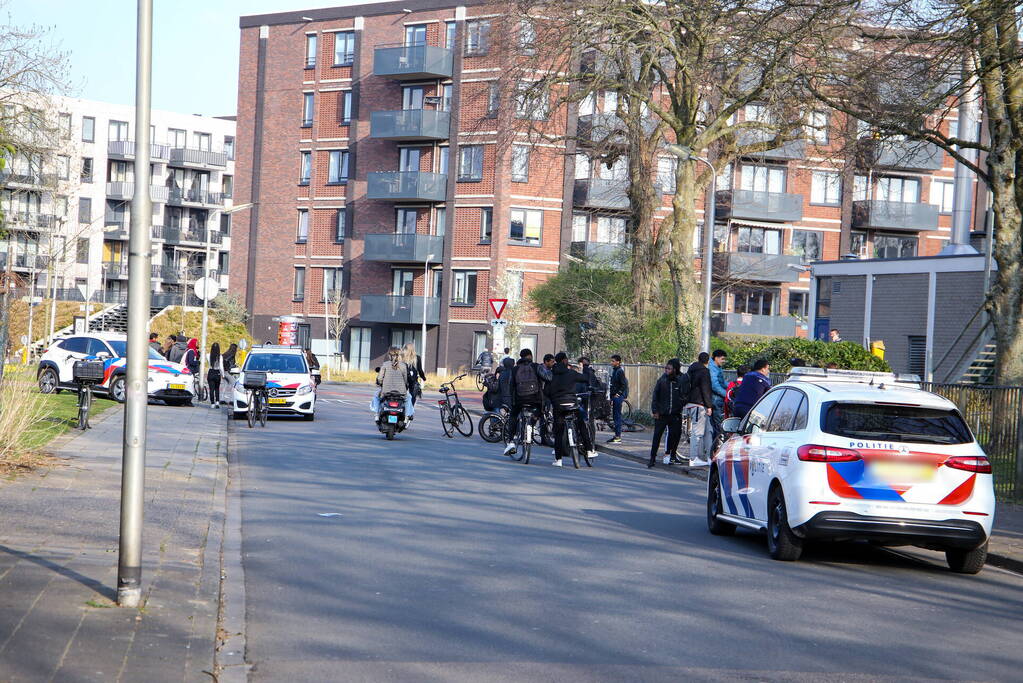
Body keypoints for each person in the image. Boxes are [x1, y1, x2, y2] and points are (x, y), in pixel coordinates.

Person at [544, 352, 594, 467]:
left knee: (558, 431)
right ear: (564, 360)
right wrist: (585, 368)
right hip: (572, 403)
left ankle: (558, 459)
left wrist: (553, 397)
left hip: (558, 405)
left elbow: (546, 391)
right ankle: (589, 450)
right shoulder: (571, 373)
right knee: (581, 424)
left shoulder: (551, 374)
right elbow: (586, 378)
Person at [503, 349, 545, 456]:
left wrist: (511, 401)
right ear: (530, 356)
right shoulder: (536, 367)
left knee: (513, 415)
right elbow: (547, 378)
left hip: (520, 400)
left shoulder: (515, 369)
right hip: (535, 399)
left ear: (521, 357)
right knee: (539, 411)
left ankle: (511, 441)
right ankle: (532, 425)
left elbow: (511, 386)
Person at [648, 358, 688, 468]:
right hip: (662, 414)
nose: (666, 370)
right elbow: (655, 395)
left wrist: (681, 402)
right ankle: (652, 458)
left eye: (669, 369)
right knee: (657, 436)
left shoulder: (681, 380)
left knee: (675, 435)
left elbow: (684, 395)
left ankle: (672, 455)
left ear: (675, 369)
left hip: (675, 414)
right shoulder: (662, 380)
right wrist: (655, 410)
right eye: (666, 368)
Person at [686, 352, 714, 467]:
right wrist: (709, 405)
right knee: (697, 433)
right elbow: (705, 389)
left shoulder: (691, 370)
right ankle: (693, 458)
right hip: (699, 404)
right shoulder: (704, 372)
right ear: (708, 361)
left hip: (691, 403)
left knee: (708, 431)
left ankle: (709, 457)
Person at [372, 346, 413, 420]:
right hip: (401, 392)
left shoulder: (385, 364)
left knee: (376, 396)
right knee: (409, 398)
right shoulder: (403, 366)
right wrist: (406, 387)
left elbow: (380, 378)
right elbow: (406, 380)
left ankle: (377, 414)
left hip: (386, 391)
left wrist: (380, 383)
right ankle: (406, 416)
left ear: (389, 355)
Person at [607, 354, 629, 443]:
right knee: (615, 416)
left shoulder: (620, 371)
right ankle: (616, 435)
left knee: (617, 417)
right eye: (611, 361)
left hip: (618, 397)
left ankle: (618, 437)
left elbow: (624, 384)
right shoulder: (615, 371)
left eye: (613, 361)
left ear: (618, 362)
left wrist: (618, 394)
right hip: (614, 396)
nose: (611, 362)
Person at [709, 349, 728, 441]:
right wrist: (726, 394)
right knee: (717, 425)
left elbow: (722, 382)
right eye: (722, 359)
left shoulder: (717, 367)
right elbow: (715, 386)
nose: (723, 361)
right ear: (716, 358)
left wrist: (733, 385)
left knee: (715, 424)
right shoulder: (712, 368)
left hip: (716, 398)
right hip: (715, 399)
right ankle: (715, 446)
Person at [207, 342, 223, 408]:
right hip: (217, 373)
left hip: (210, 372)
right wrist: (223, 374)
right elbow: (221, 367)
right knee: (217, 388)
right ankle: (217, 402)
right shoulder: (220, 356)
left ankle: (212, 403)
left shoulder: (208, 355)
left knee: (211, 389)